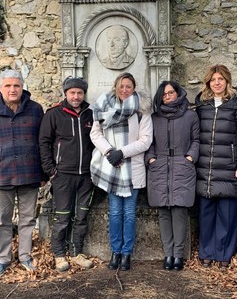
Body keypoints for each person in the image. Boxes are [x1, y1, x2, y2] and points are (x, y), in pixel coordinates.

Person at [90, 72, 152, 271]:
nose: (125, 90)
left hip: (131, 168)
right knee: (115, 213)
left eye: (129, 86)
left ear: (134, 88)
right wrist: (109, 152)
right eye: (122, 86)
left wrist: (122, 153)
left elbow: (146, 140)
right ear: (116, 87)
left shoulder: (142, 110)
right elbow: (95, 133)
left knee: (129, 213)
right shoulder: (104, 107)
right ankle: (115, 251)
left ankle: (127, 254)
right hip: (112, 168)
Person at [195, 64, 237, 269]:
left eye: (221, 79)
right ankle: (207, 252)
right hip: (206, 168)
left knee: (226, 215)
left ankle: (223, 254)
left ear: (227, 81)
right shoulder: (202, 104)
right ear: (208, 83)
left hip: (229, 167)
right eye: (213, 80)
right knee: (206, 214)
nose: (217, 83)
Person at [39, 77, 94, 272]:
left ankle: (76, 252)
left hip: (86, 175)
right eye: (72, 92)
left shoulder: (90, 114)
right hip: (63, 175)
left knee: (81, 216)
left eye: (79, 93)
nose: (76, 96)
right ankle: (59, 254)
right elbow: (44, 142)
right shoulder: (54, 114)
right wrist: (51, 171)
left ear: (83, 94)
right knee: (62, 217)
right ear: (66, 93)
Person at [145, 81, 200, 271]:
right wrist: (151, 158)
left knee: (179, 211)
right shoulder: (154, 118)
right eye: (164, 94)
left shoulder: (191, 116)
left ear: (178, 93)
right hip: (159, 166)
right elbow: (148, 141)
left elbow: (196, 139)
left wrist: (190, 157)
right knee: (163, 212)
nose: (168, 96)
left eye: (171, 92)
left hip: (181, 165)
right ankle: (167, 253)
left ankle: (178, 255)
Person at [0, 69, 44, 275]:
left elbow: (43, 143)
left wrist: (44, 174)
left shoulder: (36, 110)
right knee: (2, 220)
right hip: (2, 175)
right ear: (1, 88)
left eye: (16, 85)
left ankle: (25, 256)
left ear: (22, 87)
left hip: (29, 173)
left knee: (27, 219)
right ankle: (3, 258)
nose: (12, 89)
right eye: (8, 86)